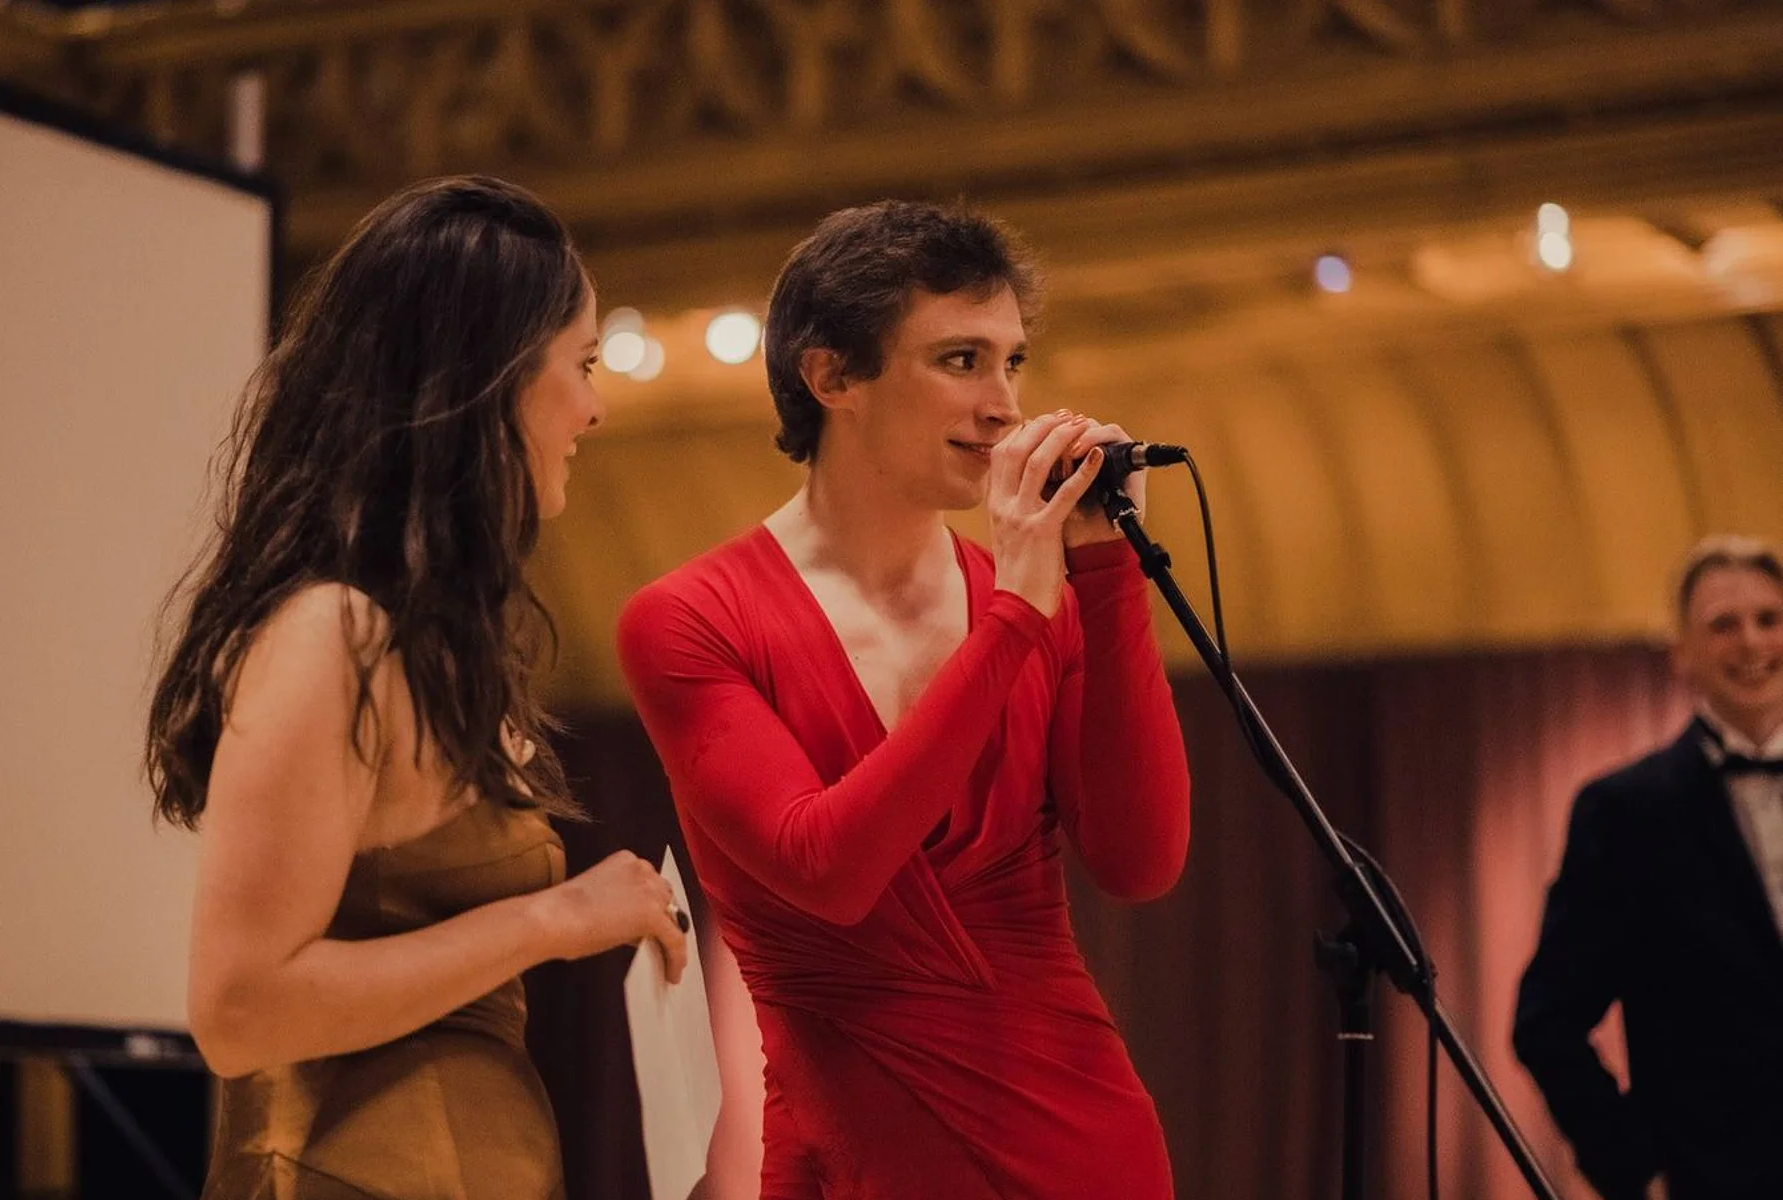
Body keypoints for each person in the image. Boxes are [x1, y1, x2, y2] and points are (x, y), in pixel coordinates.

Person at [616, 201, 1192, 1199]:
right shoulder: (688, 619)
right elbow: (830, 870)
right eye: (961, 360)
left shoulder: (1034, 600)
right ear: (832, 376)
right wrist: (1018, 613)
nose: (1005, 406)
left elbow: (1140, 864)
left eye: (1013, 363)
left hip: (1083, 1141)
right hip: (852, 1161)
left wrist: (1105, 580)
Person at [144, 176, 688, 1199]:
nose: (595, 406)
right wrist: (556, 918)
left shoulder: (426, 643)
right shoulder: (330, 635)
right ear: (493, 376)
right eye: (580, 365)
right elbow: (240, 1010)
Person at [1514, 535, 1783, 1200]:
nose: (1751, 642)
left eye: (1769, 619)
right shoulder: (1626, 812)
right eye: (1723, 625)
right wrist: (1636, 1173)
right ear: (1681, 654)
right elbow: (1547, 1022)